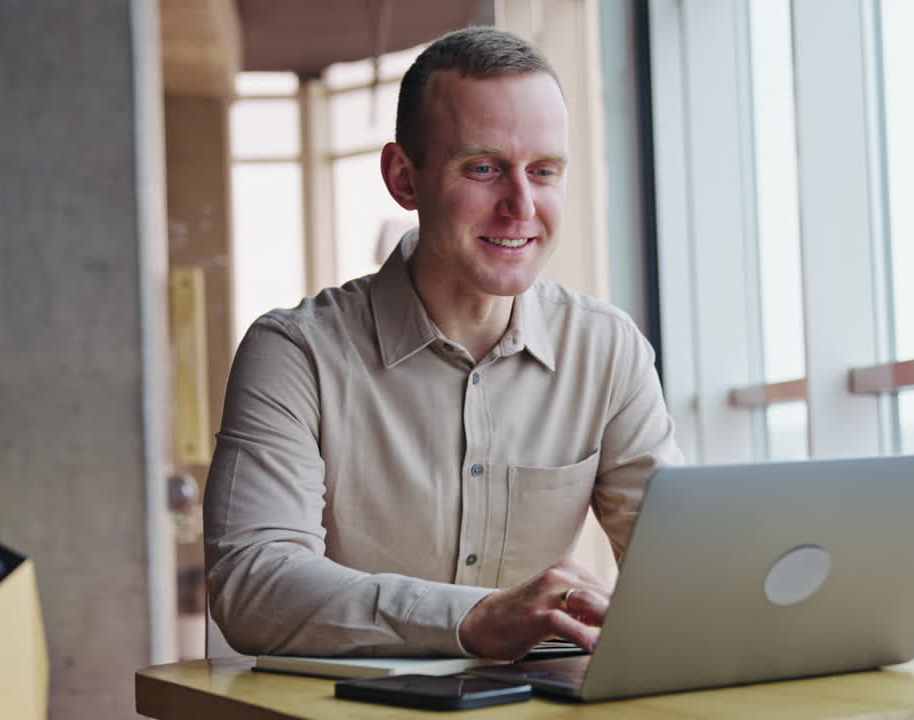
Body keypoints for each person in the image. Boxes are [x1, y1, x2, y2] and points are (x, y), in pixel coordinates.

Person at [203, 26, 682, 661]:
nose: (521, 205)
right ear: (405, 178)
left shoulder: (608, 350)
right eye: (484, 169)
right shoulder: (294, 354)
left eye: (544, 171)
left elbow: (679, 572)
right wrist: (475, 618)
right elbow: (253, 584)